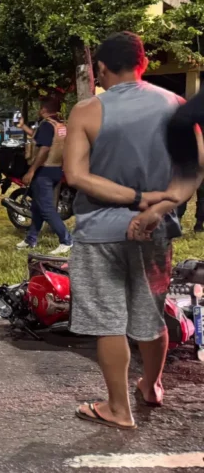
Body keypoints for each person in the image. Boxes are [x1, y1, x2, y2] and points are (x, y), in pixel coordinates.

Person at [64, 31, 190, 430]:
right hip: (155, 232)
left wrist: (137, 200)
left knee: (107, 321)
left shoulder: (86, 110)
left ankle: (118, 409)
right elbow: (193, 171)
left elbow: (76, 176)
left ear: (100, 69)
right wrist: (158, 208)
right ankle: (151, 387)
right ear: (144, 64)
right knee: (150, 316)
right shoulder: (177, 106)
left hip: (100, 232)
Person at [15, 96, 74, 255]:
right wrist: (23, 127)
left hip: (44, 171)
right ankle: (31, 238)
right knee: (37, 207)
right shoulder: (60, 125)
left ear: (44, 110)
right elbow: (38, 137)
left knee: (46, 208)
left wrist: (32, 170)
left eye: (40, 107)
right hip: (56, 169)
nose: (38, 110)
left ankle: (66, 240)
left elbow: (44, 148)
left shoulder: (47, 126)